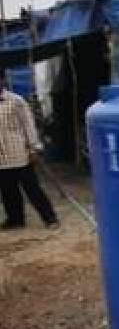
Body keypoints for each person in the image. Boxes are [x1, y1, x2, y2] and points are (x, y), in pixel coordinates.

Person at [0, 70, 59, 230]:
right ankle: (15, 220)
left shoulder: (16, 101)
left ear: (3, 80)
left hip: (20, 154)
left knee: (32, 189)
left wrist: (34, 147)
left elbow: (28, 125)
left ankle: (50, 218)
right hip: (1, 159)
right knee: (8, 192)